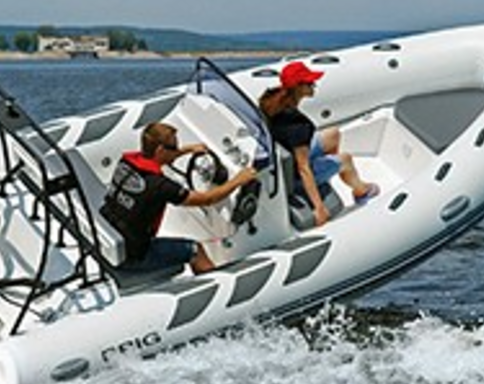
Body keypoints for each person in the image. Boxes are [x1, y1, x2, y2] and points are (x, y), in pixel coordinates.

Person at [100, 122, 257, 274]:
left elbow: (158, 158)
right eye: (174, 147)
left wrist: (188, 150)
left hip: (110, 236)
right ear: (160, 150)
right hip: (133, 255)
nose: (177, 149)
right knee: (195, 250)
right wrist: (238, 180)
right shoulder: (160, 186)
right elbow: (207, 199)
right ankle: (215, 284)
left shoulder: (126, 162)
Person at [260, 60, 379, 227]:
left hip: (285, 154)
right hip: (295, 177)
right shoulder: (298, 124)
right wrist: (319, 207)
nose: (314, 85)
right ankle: (361, 191)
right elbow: (303, 168)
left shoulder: (270, 102)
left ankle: (326, 174)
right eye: (309, 82)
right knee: (345, 159)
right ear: (298, 87)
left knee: (333, 134)